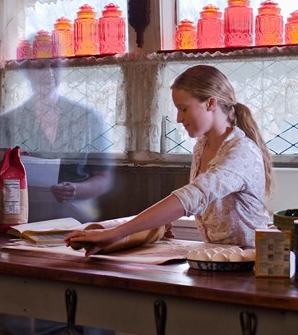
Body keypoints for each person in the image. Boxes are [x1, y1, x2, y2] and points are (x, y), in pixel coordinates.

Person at [64, 64, 273, 254]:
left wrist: (116, 233)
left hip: (251, 261)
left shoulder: (241, 152)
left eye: (184, 109)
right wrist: (163, 222)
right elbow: (203, 202)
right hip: (215, 256)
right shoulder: (202, 144)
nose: (178, 118)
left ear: (211, 103)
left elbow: (193, 196)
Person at [0, 61, 113, 221]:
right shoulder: (8, 121)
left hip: (76, 215)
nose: (49, 73)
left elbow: (103, 177)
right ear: (27, 71)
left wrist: (75, 190)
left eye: (55, 65)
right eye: (40, 66)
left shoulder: (89, 118)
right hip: (23, 215)